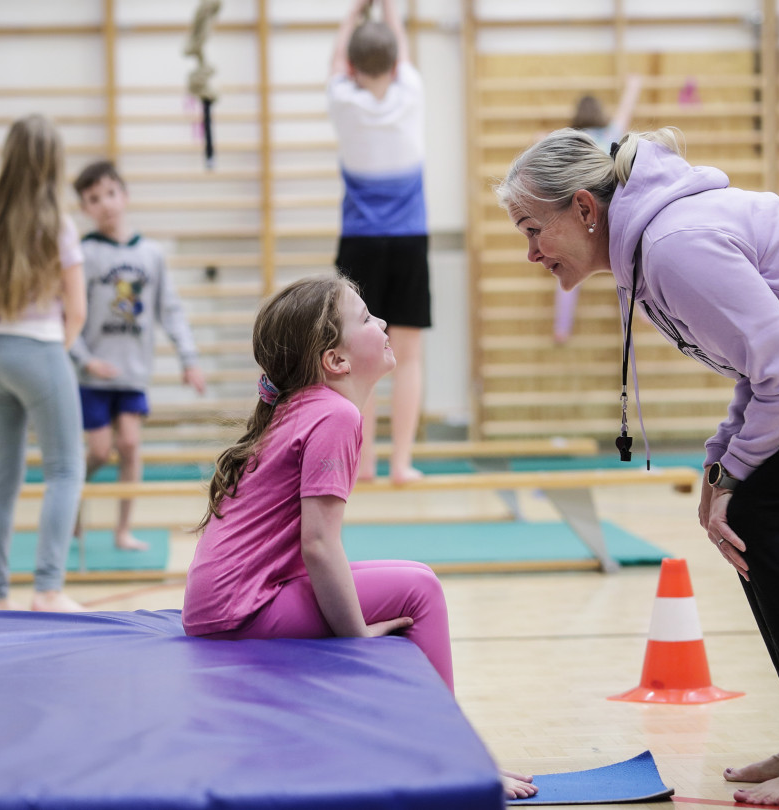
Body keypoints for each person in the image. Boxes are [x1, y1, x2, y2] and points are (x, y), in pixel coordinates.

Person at [495, 128, 779, 806]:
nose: (529, 254)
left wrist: (732, 478)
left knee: (767, 531)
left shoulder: (673, 246)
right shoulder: (656, 244)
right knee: (758, 526)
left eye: (532, 230)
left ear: (583, 208)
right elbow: (768, 365)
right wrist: (720, 464)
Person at [181, 275, 537, 801]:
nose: (384, 323)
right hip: (240, 612)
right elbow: (320, 546)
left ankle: (416, 748)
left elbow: (310, 548)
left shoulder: (304, 408)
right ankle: (453, 763)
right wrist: (357, 637)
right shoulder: (335, 414)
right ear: (336, 361)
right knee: (419, 588)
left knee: (395, 581)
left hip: (222, 605)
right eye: (368, 318)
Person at [0, 114, 88, 612]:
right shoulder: (57, 224)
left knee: (3, 473)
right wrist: (55, 350)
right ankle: (48, 589)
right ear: (53, 164)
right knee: (64, 469)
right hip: (37, 348)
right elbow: (76, 309)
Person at [69, 160, 206, 551]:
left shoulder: (151, 254)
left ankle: (122, 529)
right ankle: (71, 496)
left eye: (110, 194)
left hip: (131, 373)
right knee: (98, 450)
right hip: (94, 376)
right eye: (93, 199)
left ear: (124, 196)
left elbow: (170, 310)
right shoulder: (84, 254)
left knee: (129, 445)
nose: (105, 204)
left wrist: (189, 358)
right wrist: (84, 358)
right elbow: (69, 318)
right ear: (85, 208)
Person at [328, 0, 428, 484]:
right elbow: (401, 47)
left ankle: (361, 462)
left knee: (357, 356)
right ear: (393, 63)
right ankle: (401, 462)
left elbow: (336, 62)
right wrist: (388, 9)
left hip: (361, 244)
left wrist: (353, 13)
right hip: (408, 242)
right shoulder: (410, 91)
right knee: (406, 357)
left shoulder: (343, 102)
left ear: (351, 65)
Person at [554, 79, 642, 344]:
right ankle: (648, 313)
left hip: (579, 215)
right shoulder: (610, 134)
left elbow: (543, 142)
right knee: (625, 264)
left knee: (569, 268)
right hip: (610, 214)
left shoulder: (572, 140)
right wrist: (634, 85)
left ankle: (562, 328)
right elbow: (626, 110)